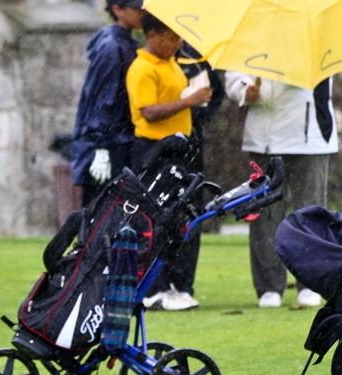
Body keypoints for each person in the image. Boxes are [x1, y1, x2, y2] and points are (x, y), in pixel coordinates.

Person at [224, 73, 338, 308]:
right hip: (264, 138)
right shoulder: (255, 36)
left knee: (311, 214)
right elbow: (236, 75)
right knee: (264, 213)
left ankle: (311, 283)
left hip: (312, 137)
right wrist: (245, 91)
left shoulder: (316, 38)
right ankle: (269, 286)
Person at [125, 11, 213, 311]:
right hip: (153, 150)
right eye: (171, 38)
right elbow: (148, 111)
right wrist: (188, 101)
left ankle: (178, 284)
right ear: (152, 36)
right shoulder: (142, 68)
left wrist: (195, 96)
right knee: (157, 218)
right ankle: (154, 288)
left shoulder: (171, 63)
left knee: (182, 216)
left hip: (178, 149)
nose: (177, 44)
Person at [69, 0, 144, 211]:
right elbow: (102, 101)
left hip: (119, 142)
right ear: (118, 10)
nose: (142, 13)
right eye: (136, 8)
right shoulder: (111, 46)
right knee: (99, 216)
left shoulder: (126, 43)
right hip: (107, 145)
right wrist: (100, 149)